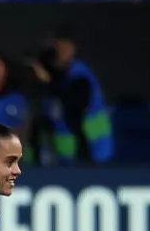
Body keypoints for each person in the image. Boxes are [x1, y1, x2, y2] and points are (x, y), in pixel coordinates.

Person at [30, 25, 113, 165]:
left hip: (93, 150)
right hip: (65, 153)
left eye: (66, 46)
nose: (61, 51)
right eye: (57, 47)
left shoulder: (79, 73)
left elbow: (73, 102)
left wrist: (48, 81)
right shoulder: (51, 74)